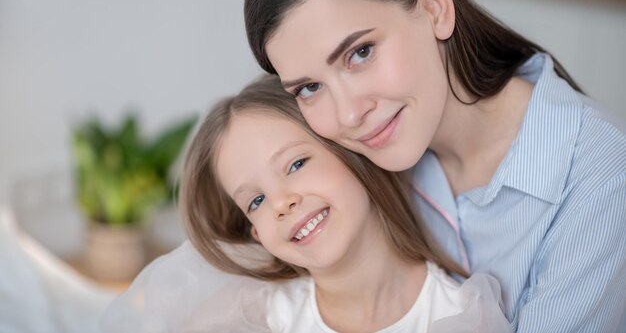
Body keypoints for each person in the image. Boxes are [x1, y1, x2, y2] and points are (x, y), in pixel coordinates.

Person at [243, 0, 626, 332]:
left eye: (360, 52)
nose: (349, 115)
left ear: (434, 8)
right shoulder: (350, 165)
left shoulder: (601, 173)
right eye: (310, 87)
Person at [101, 75, 511, 332]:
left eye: (296, 164)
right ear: (256, 233)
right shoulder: (253, 319)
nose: (281, 202)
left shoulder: (459, 317)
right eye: (256, 200)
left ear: (350, 153)